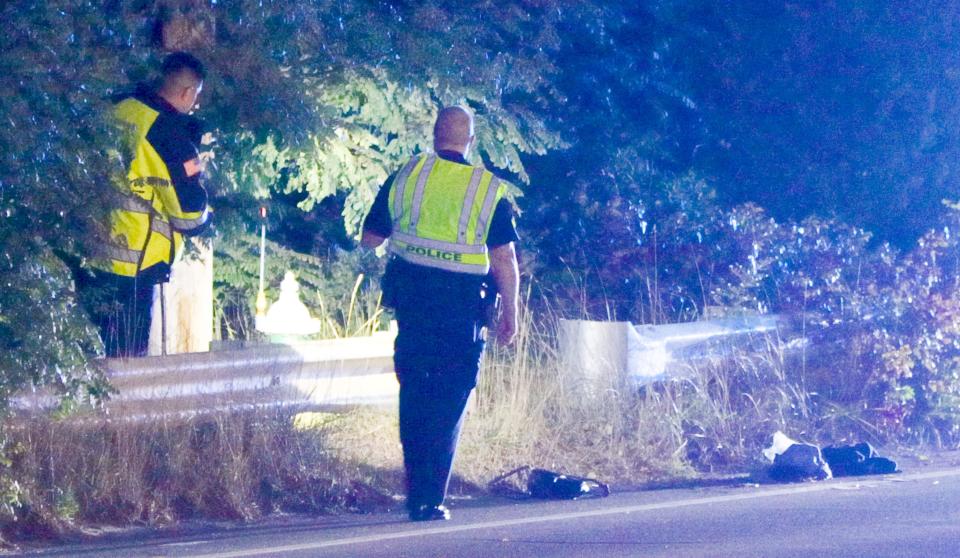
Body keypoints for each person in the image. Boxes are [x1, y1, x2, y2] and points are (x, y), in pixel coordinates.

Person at [361, 106, 520, 522]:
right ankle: (432, 497)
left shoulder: (408, 177)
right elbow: (504, 258)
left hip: (414, 306)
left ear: (434, 136)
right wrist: (512, 315)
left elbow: (369, 238)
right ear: (471, 141)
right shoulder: (486, 189)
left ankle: (417, 493)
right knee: (451, 397)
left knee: (414, 392)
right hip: (461, 309)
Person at [78, 52, 212, 358]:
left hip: (90, 258)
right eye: (196, 96)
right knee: (125, 365)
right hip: (133, 269)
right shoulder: (169, 135)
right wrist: (207, 215)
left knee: (87, 362)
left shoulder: (118, 109)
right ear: (187, 92)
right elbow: (190, 216)